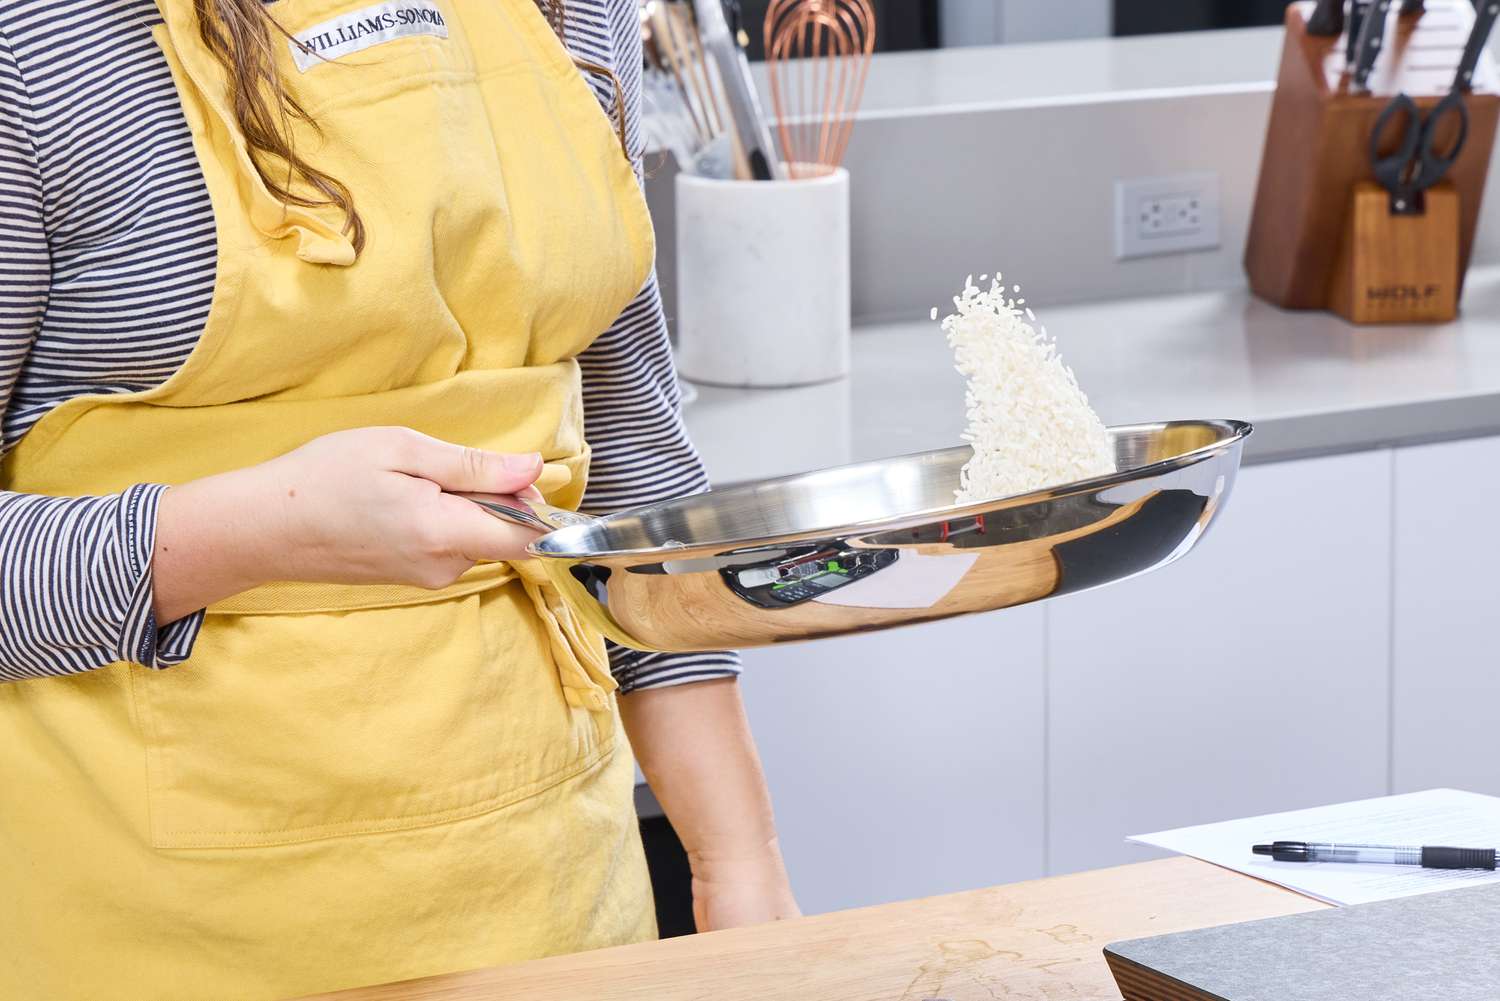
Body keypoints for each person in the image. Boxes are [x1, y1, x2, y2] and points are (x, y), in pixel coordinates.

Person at [0, 1, 799, 997]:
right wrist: (263, 529)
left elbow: (632, 459)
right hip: (162, 933)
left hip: (557, 903)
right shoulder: (37, 41)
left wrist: (739, 861)